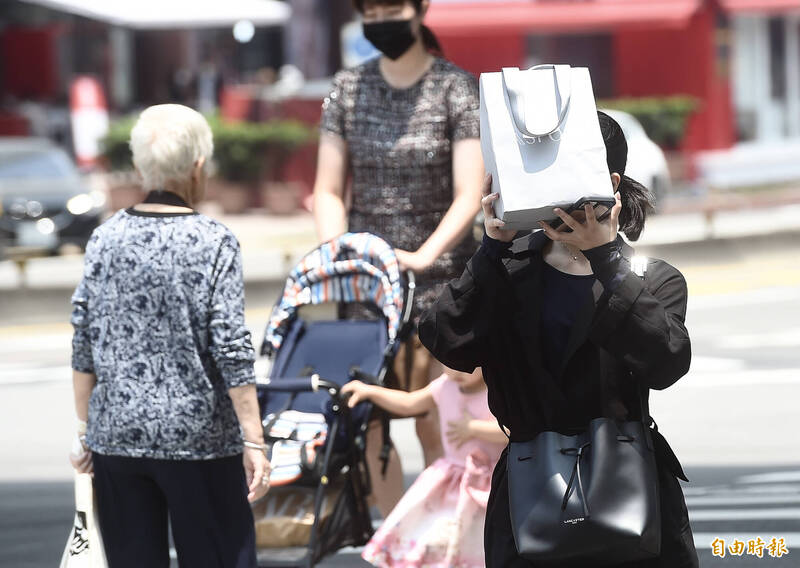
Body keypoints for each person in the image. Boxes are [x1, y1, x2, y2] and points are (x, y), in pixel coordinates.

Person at [418, 112, 699, 567]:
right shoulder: (507, 270)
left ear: (609, 182)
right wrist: (491, 247)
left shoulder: (650, 278)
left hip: (632, 494)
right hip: (532, 491)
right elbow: (446, 340)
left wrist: (607, 259)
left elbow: (666, 362)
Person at [68, 104, 270, 568]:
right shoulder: (212, 240)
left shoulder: (104, 238)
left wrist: (84, 431)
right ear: (199, 166)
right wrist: (254, 439)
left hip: (117, 436)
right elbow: (232, 345)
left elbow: (83, 340)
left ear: (140, 166)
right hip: (200, 437)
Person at [312, 0, 484, 517]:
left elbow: (470, 191)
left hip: (446, 285)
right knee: (368, 423)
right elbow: (326, 190)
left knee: (439, 417)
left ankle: (449, 535)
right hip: (368, 289)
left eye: (393, 6)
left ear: (419, 9)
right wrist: (339, 252)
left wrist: (425, 255)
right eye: (372, 8)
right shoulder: (347, 88)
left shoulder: (455, 87)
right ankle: (396, 542)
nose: (382, 16)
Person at [342, 367, 506, 567]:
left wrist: (473, 428)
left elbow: (511, 428)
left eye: (466, 364)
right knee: (434, 536)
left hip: (490, 484)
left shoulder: (497, 390)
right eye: (449, 364)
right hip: (450, 481)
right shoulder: (444, 386)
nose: (457, 371)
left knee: (482, 543)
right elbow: (409, 403)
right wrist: (371, 392)